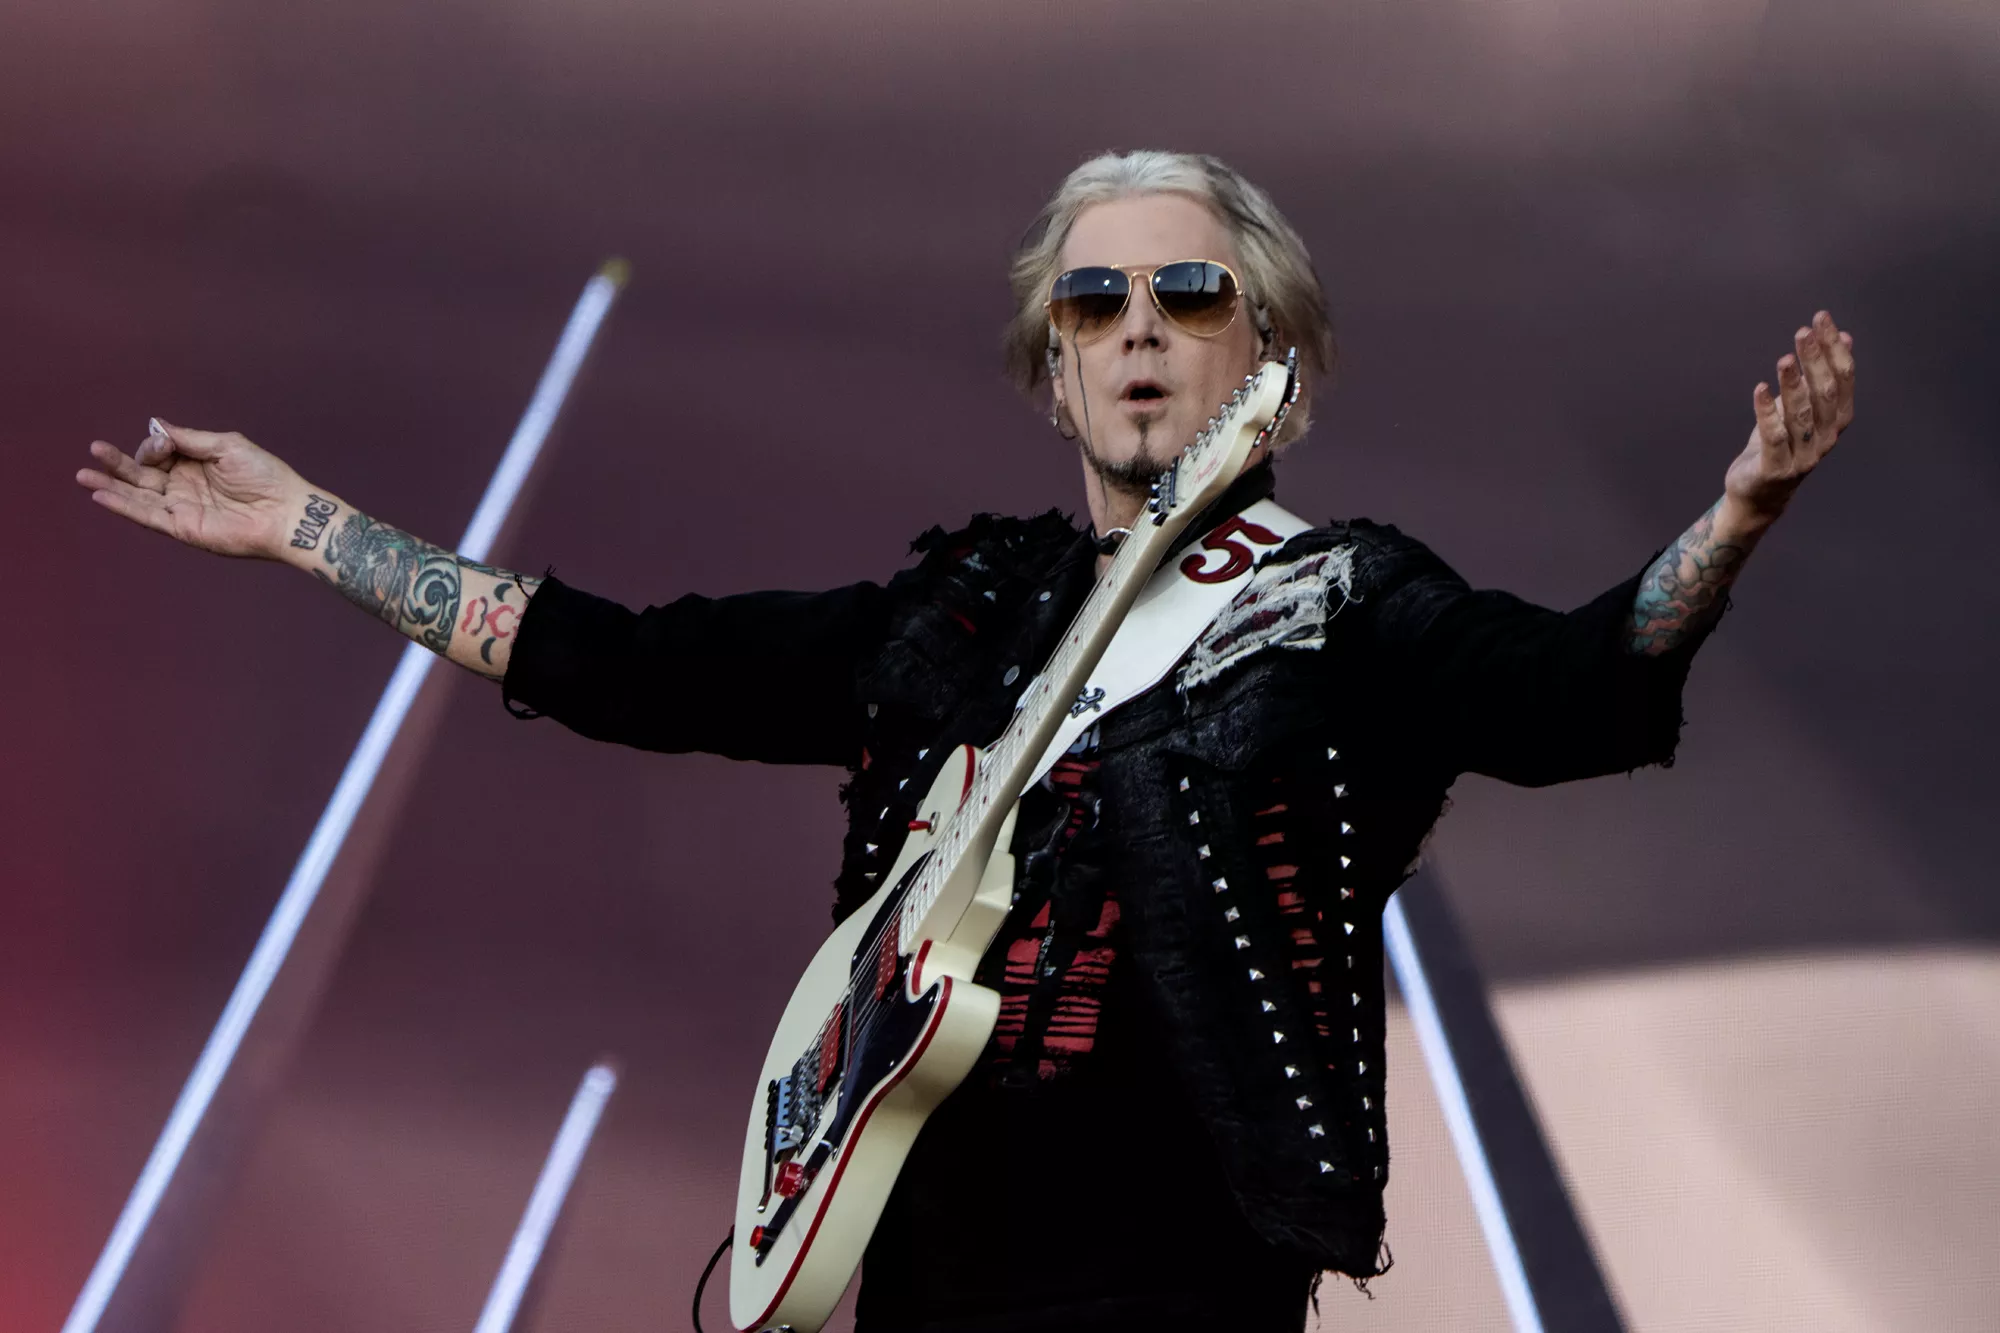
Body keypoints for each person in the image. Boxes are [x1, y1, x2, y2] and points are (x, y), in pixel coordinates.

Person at [76, 150, 1856, 1333]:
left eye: (1190, 294)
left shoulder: (1341, 605)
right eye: (1096, 304)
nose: (1140, 331)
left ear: (1276, 357)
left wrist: (1738, 515)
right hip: (915, 1264)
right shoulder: (969, 610)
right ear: (1051, 366)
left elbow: (1573, 690)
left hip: (1179, 1286)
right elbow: (634, 663)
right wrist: (307, 526)